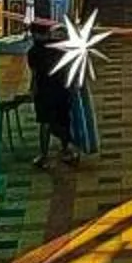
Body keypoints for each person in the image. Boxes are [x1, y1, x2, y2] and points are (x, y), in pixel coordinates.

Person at [26, 19, 82, 168]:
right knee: (63, 120)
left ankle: (44, 156)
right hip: (62, 89)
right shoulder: (59, 47)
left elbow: (35, 74)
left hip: (44, 91)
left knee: (45, 123)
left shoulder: (34, 52)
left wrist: (32, 90)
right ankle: (66, 150)